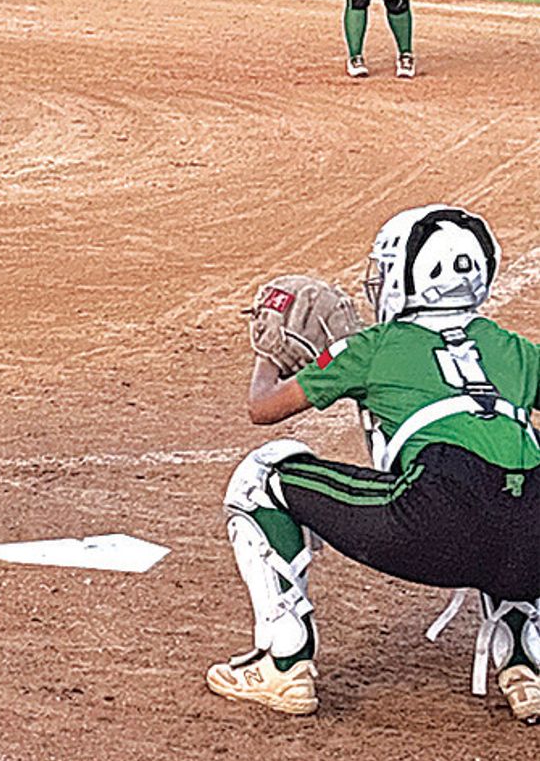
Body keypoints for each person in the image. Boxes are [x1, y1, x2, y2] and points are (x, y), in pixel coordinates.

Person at [207, 204, 540, 723]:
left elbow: (263, 408)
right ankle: (525, 661)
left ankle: (284, 661)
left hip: (434, 524)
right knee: (516, 490)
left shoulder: (373, 347)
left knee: (264, 477)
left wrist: (268, 350)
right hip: (532, 546)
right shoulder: (516, 350)